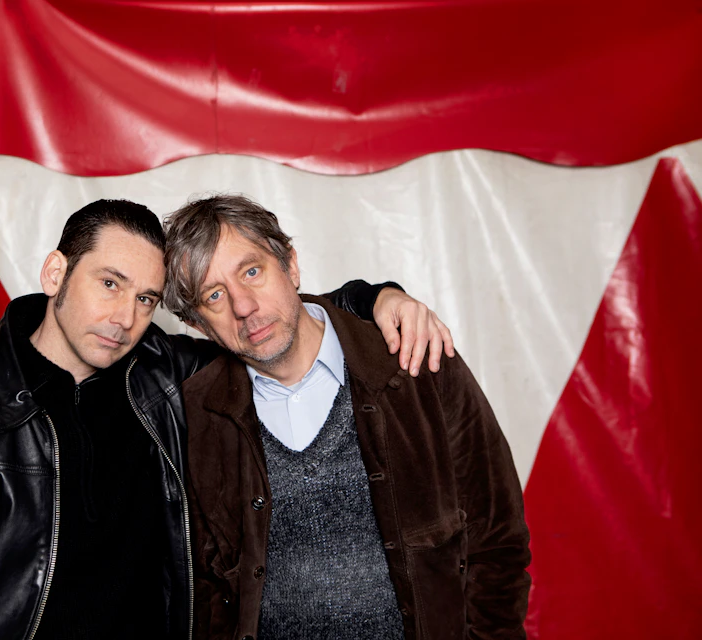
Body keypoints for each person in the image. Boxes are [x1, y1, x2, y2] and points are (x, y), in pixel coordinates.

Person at [0, 198, 453, 640]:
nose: (125, 317)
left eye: (145, 298)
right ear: (56, 273)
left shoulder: (164, 378)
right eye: (109, 283)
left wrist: (375, 298)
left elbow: (266, 322)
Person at [162, 195, 531, 640]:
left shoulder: (413, 359)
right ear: (198, 324)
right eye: (214, 295)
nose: (243, 306)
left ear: (291, 265)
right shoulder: (195, 416)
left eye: (252, 271)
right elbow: (205, 587)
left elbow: (497, 539)